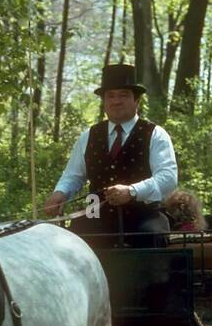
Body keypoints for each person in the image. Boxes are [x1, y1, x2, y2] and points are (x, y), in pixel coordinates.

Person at [43, 63, 178, 233]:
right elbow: (73, 175)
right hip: (94, 217)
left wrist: (132, 191)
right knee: (69, 241)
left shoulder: (155, 134)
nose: (116, 101)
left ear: (136, 100)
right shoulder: (88, 136)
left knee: (151, 236)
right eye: (110, 96)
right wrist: (60, 193)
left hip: (144, 217)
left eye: (123, 95)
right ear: (104, 102)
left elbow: (168, 178)